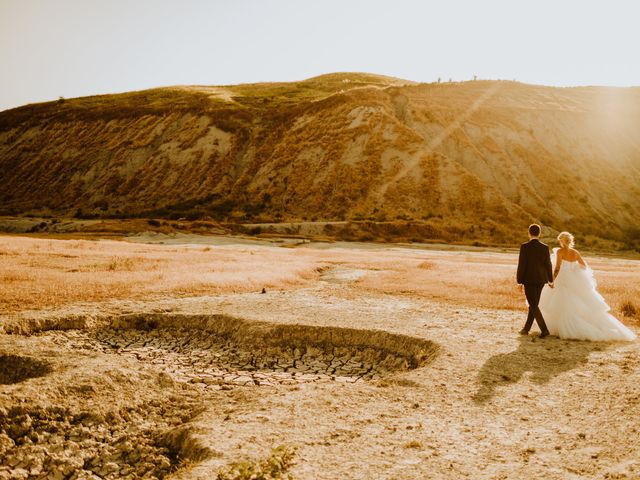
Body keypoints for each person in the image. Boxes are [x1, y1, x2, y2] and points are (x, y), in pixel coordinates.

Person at [539, 232, 636, 341]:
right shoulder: (575, 253)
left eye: (560, 240)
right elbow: (583, 266)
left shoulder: (560, 252)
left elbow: (557, 268)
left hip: (563, 279)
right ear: (570, 241)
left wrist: (552, 280)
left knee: (562, 303)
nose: (560, 243)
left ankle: (565, 329)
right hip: (573, 279)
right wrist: (573, 270)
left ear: (562, 241)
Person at [516, 224, 553, 337]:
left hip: (529, 279)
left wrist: (519, 281)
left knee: (533, 305)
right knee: (534, 305)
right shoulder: (545, 247)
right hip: (542, 279)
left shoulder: (524, 247)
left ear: (529, 233)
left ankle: (544, 330)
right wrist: (550, 279)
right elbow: (548, 264)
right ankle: (526, 329)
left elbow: (522, 264)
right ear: (539, 233)